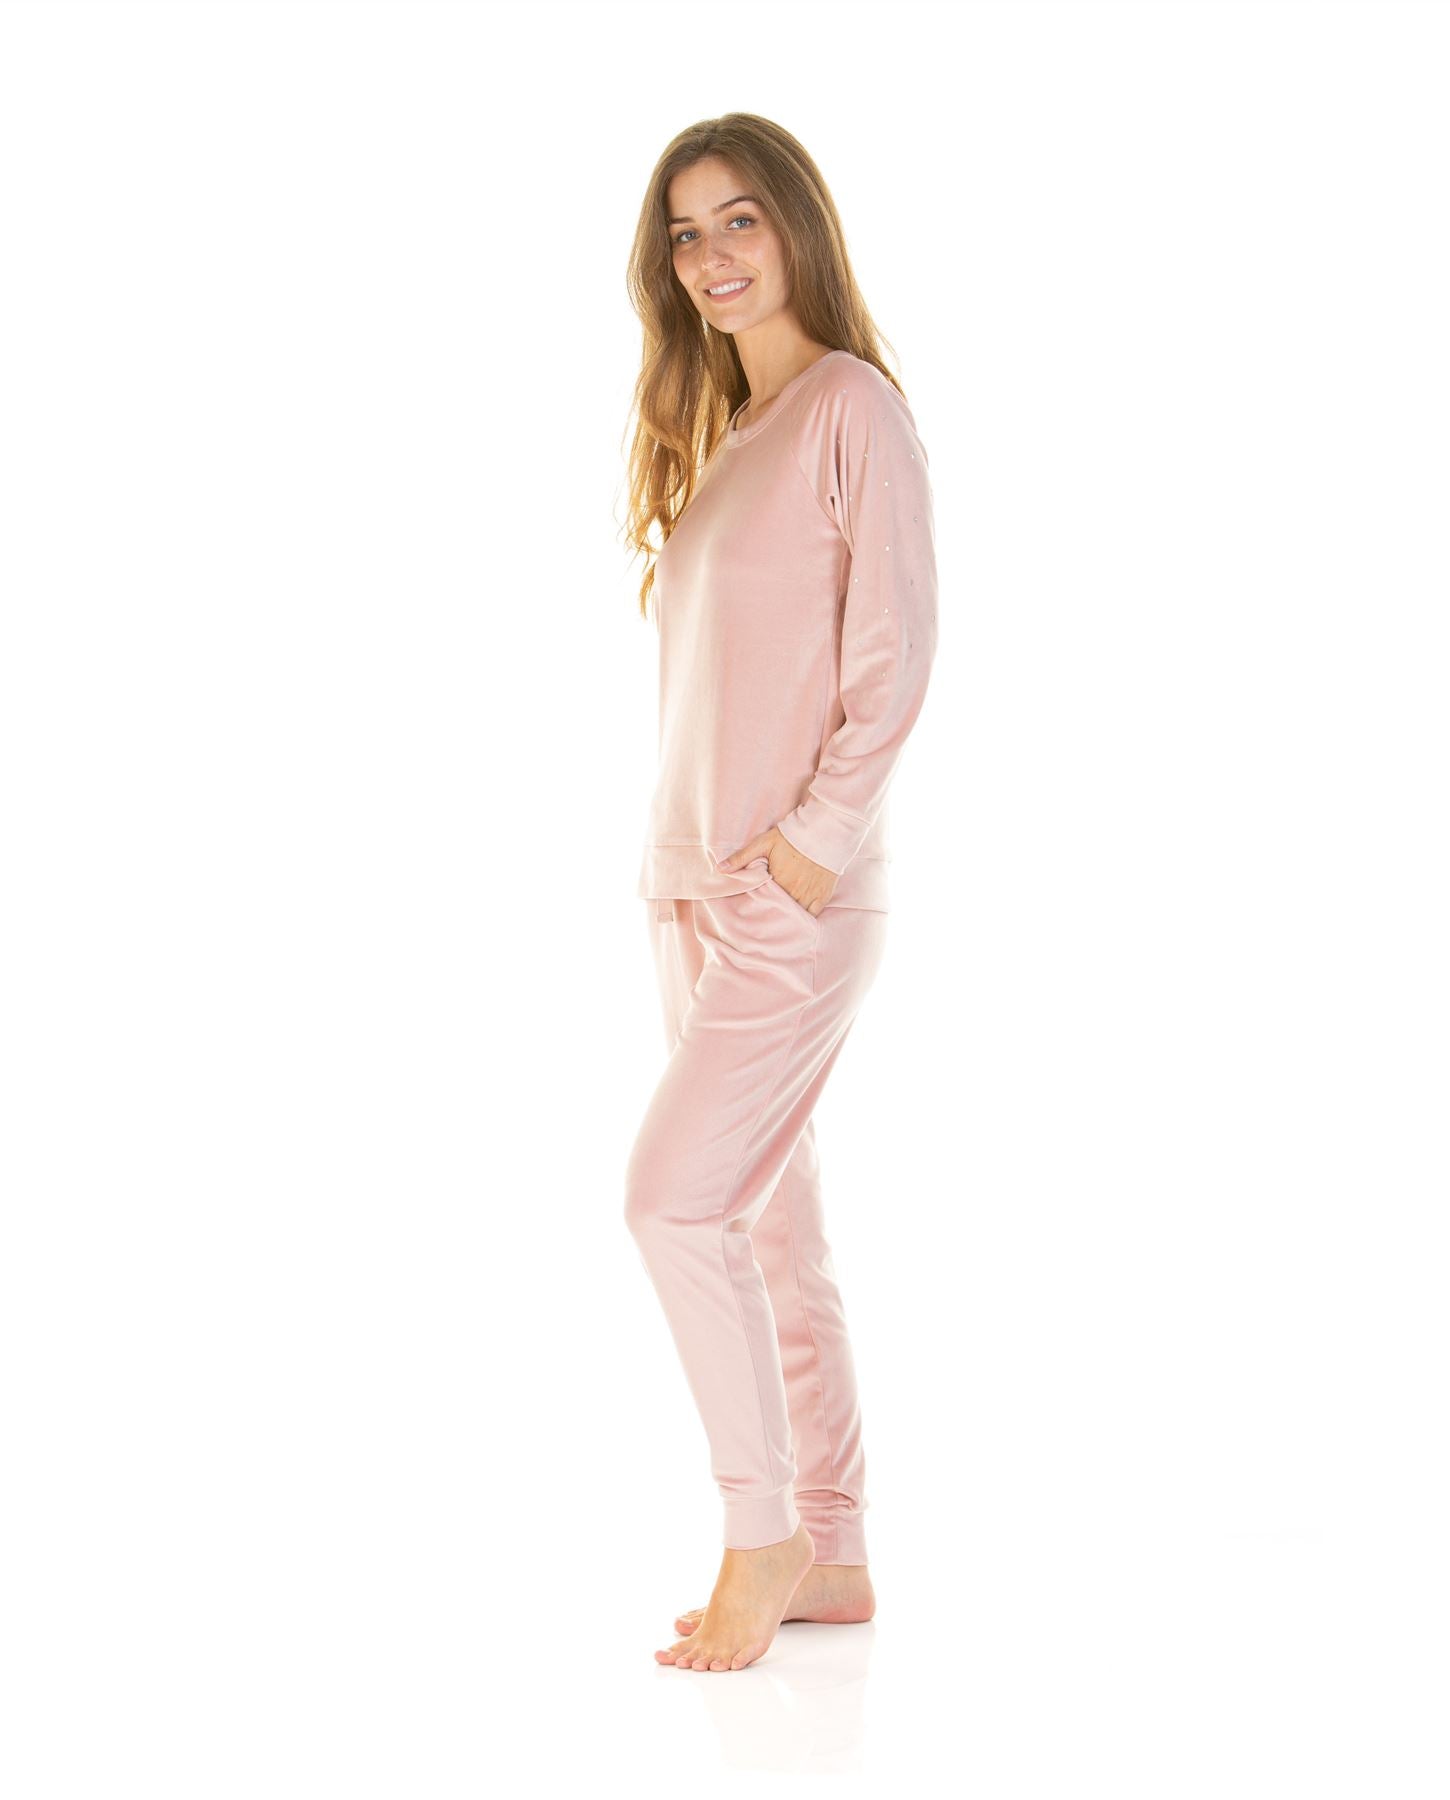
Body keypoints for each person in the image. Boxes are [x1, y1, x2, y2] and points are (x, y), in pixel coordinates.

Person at [621, 114, 940, 1675]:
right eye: (687, 234)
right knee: (766, 1231)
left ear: (798, 226)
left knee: (670, 1201)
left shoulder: (850, 409)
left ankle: (762, 1536)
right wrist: (693, 874)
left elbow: (897, 647)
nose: (714, 256)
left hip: (790, 895)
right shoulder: (732, 435)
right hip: (697, 890)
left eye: (740, 219)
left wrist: (812, 846)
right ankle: (835, 1548)